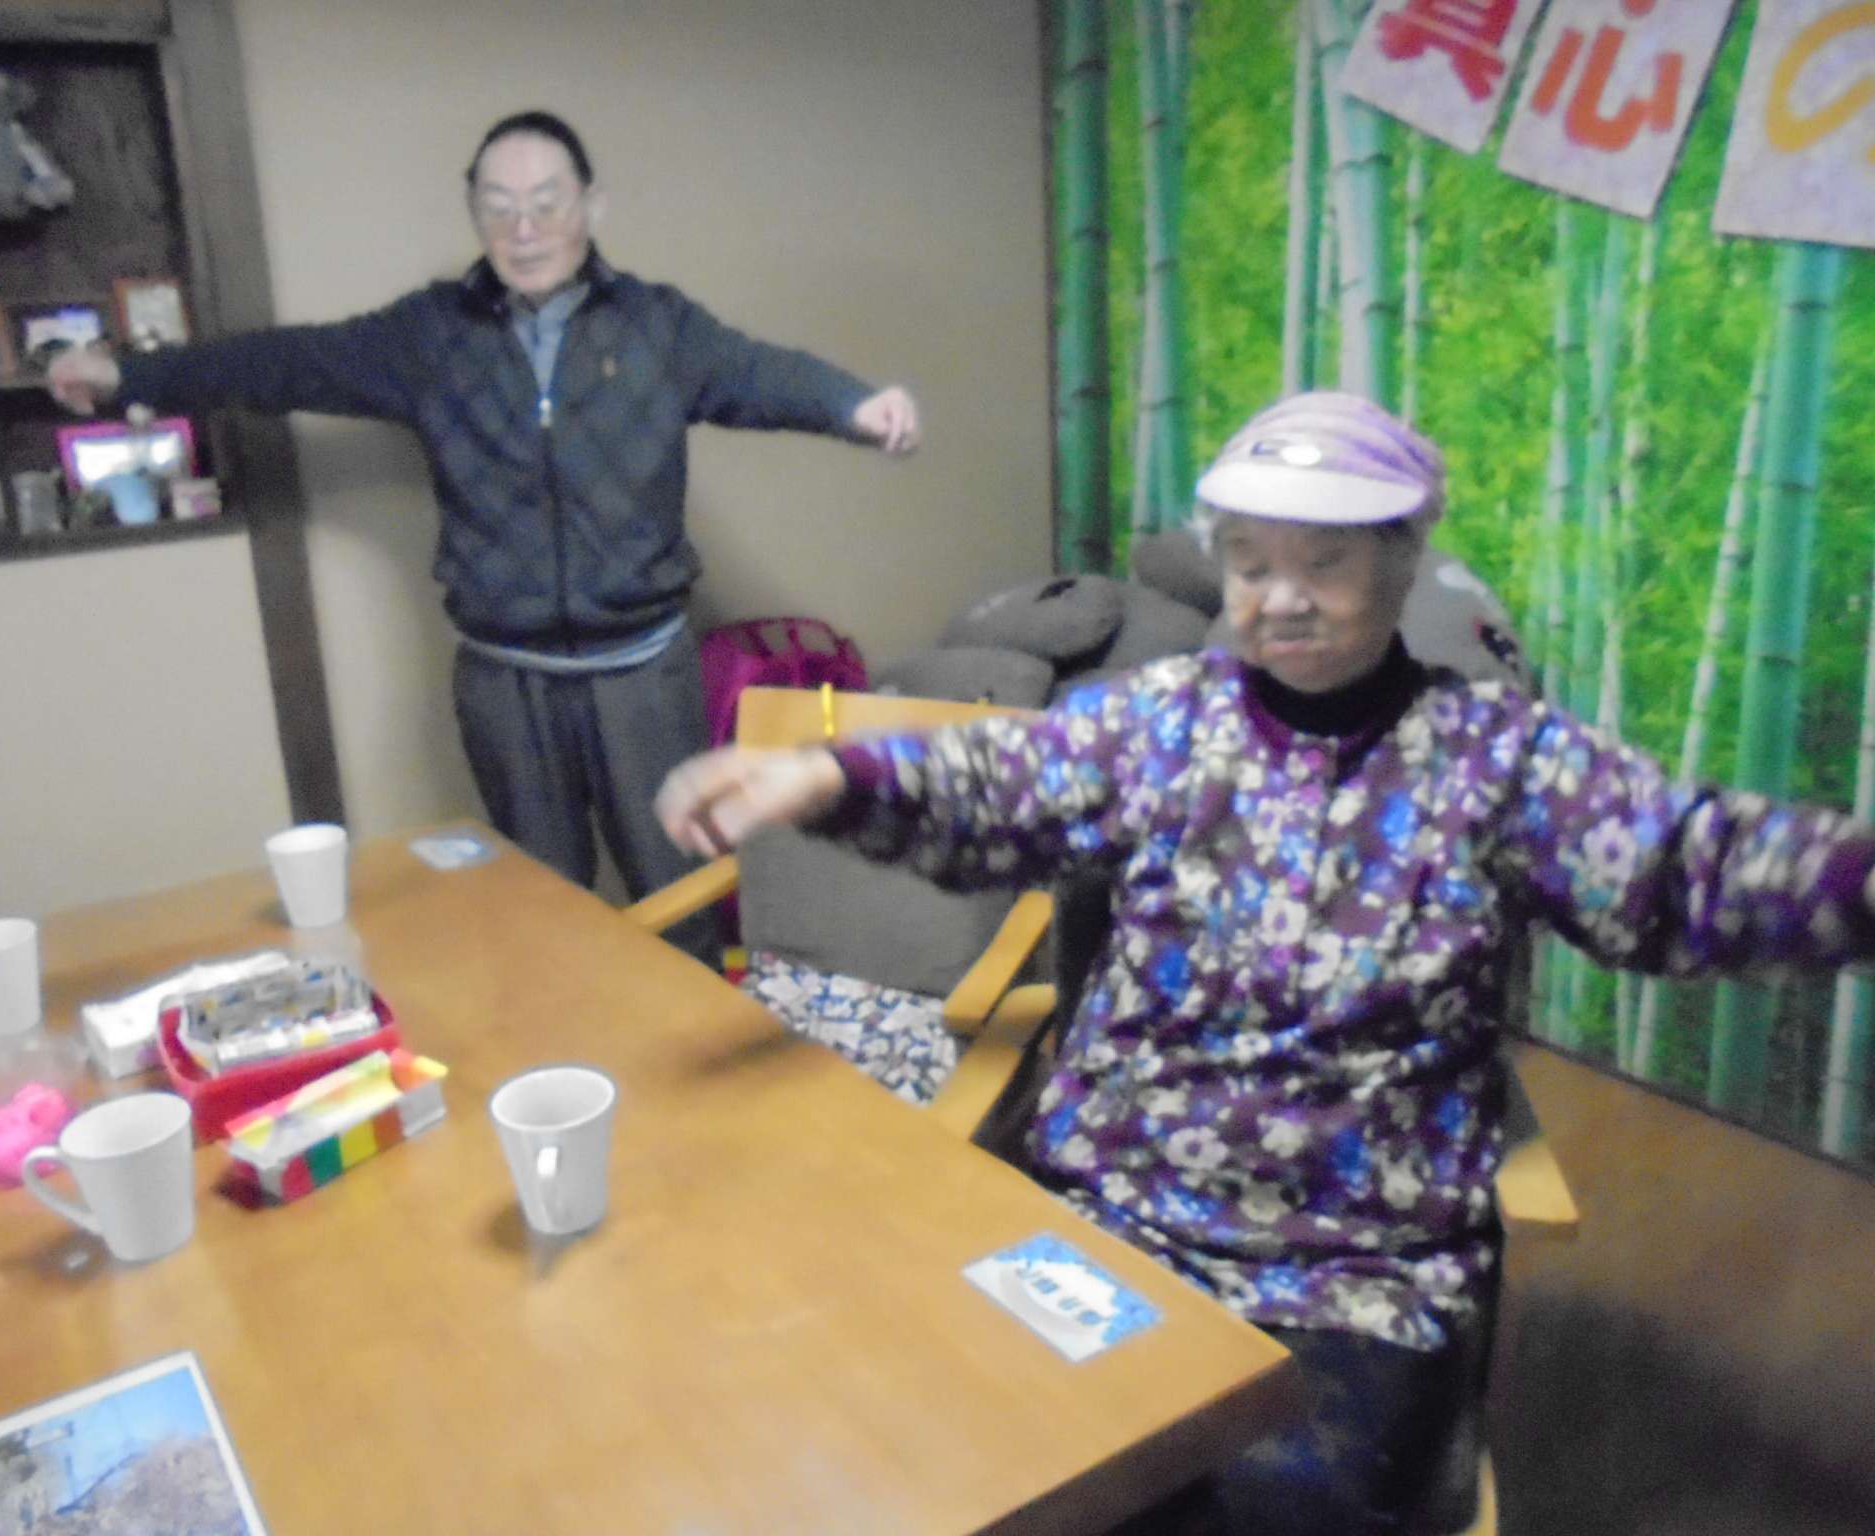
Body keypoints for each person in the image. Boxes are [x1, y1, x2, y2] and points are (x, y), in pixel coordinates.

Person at [654, 390, 1875, 1533]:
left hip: (1356, 1269)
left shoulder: (1496, 760)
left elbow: (1681, 865)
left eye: (1323, 563)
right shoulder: (1162, 720)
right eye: (1249, 565)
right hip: (1112, 1212)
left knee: (1267, 1508)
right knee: (970, 1440)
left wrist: (1849, 885)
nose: (1279, 599)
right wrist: (823, 776)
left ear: (1401, 559)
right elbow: (997, 783)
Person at [48, 111, 921, 959]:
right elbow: (286, 362)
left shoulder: (658, 326)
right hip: (507, 684)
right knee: (539, 918)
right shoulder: (430, 336)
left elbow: (759, 374)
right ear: (474, 213)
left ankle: (688, 1055)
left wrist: (854, 405)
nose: (524, 228)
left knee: (680, 907)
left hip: (644, 679)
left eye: (546, 202)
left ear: (592, 206)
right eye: (498, 207)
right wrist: (132, 375)